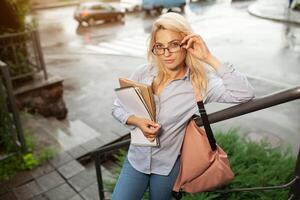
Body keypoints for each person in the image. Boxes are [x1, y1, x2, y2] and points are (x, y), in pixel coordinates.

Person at [111, 12, 255, 200]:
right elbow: (117, 108)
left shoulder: (199, 82)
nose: (166, 53)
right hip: (136, 161)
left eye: (174, 44)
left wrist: (209, 57)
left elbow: (245, 93)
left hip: (167, 168)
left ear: (187, 43)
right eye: (160, 47)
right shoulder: (143, 72)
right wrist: (135, 120)